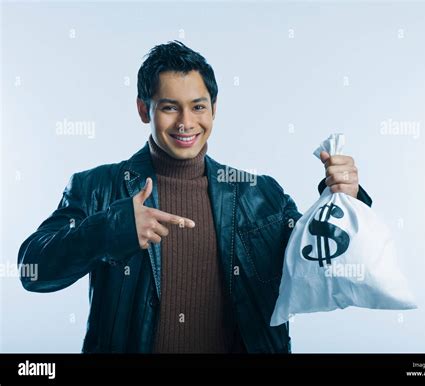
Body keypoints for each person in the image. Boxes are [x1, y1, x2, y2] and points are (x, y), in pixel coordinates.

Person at [18, 41, 372, 353]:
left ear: (214, 108)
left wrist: (346, 200)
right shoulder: (97, 187)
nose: (186, 123)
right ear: (144, 110)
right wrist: (112, 229)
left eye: (198, 107)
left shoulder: (260, 194)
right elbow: (32, 269)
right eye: (170, 107)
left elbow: (323, 265)